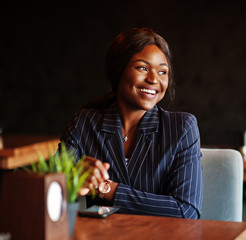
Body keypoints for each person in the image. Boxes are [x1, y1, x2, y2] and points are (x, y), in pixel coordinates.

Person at [60, 28, 203, 219]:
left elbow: (186, 211)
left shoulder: (182, 128)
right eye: (143, 68)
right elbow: (51, 189)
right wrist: (74, 181)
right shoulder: (84, 123)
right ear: (118, 71)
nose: (154, 79)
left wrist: (106, 188)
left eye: (162, 72)